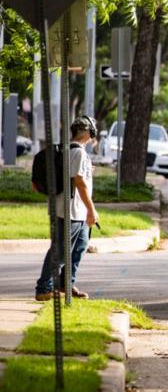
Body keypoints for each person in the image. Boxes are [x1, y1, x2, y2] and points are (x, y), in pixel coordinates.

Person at [35, 116, 99, 301]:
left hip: (76, 211)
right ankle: (43, 288)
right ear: (88, 132)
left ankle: (66, 283)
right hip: (69, 211)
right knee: (61, 251)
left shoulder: (73, 152)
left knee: (80, 246)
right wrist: (91, 209)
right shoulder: (77, 152)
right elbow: (78, 181)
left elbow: (76, 175)